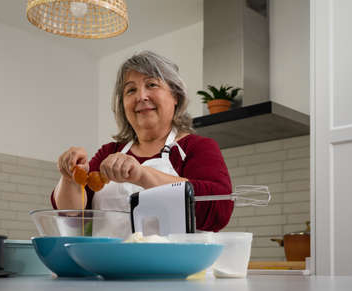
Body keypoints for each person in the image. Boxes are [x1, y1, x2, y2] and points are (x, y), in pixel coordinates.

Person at [51, 50, 233, 235]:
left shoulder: (195, 147)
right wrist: (70, 177)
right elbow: (72, 219)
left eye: (152, 84)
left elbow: (219, 210)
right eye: (131, 90)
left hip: (173, 264)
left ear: (175, 96)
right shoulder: (110, 152)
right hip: (107, 263)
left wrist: (143, 175)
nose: (141, 96)